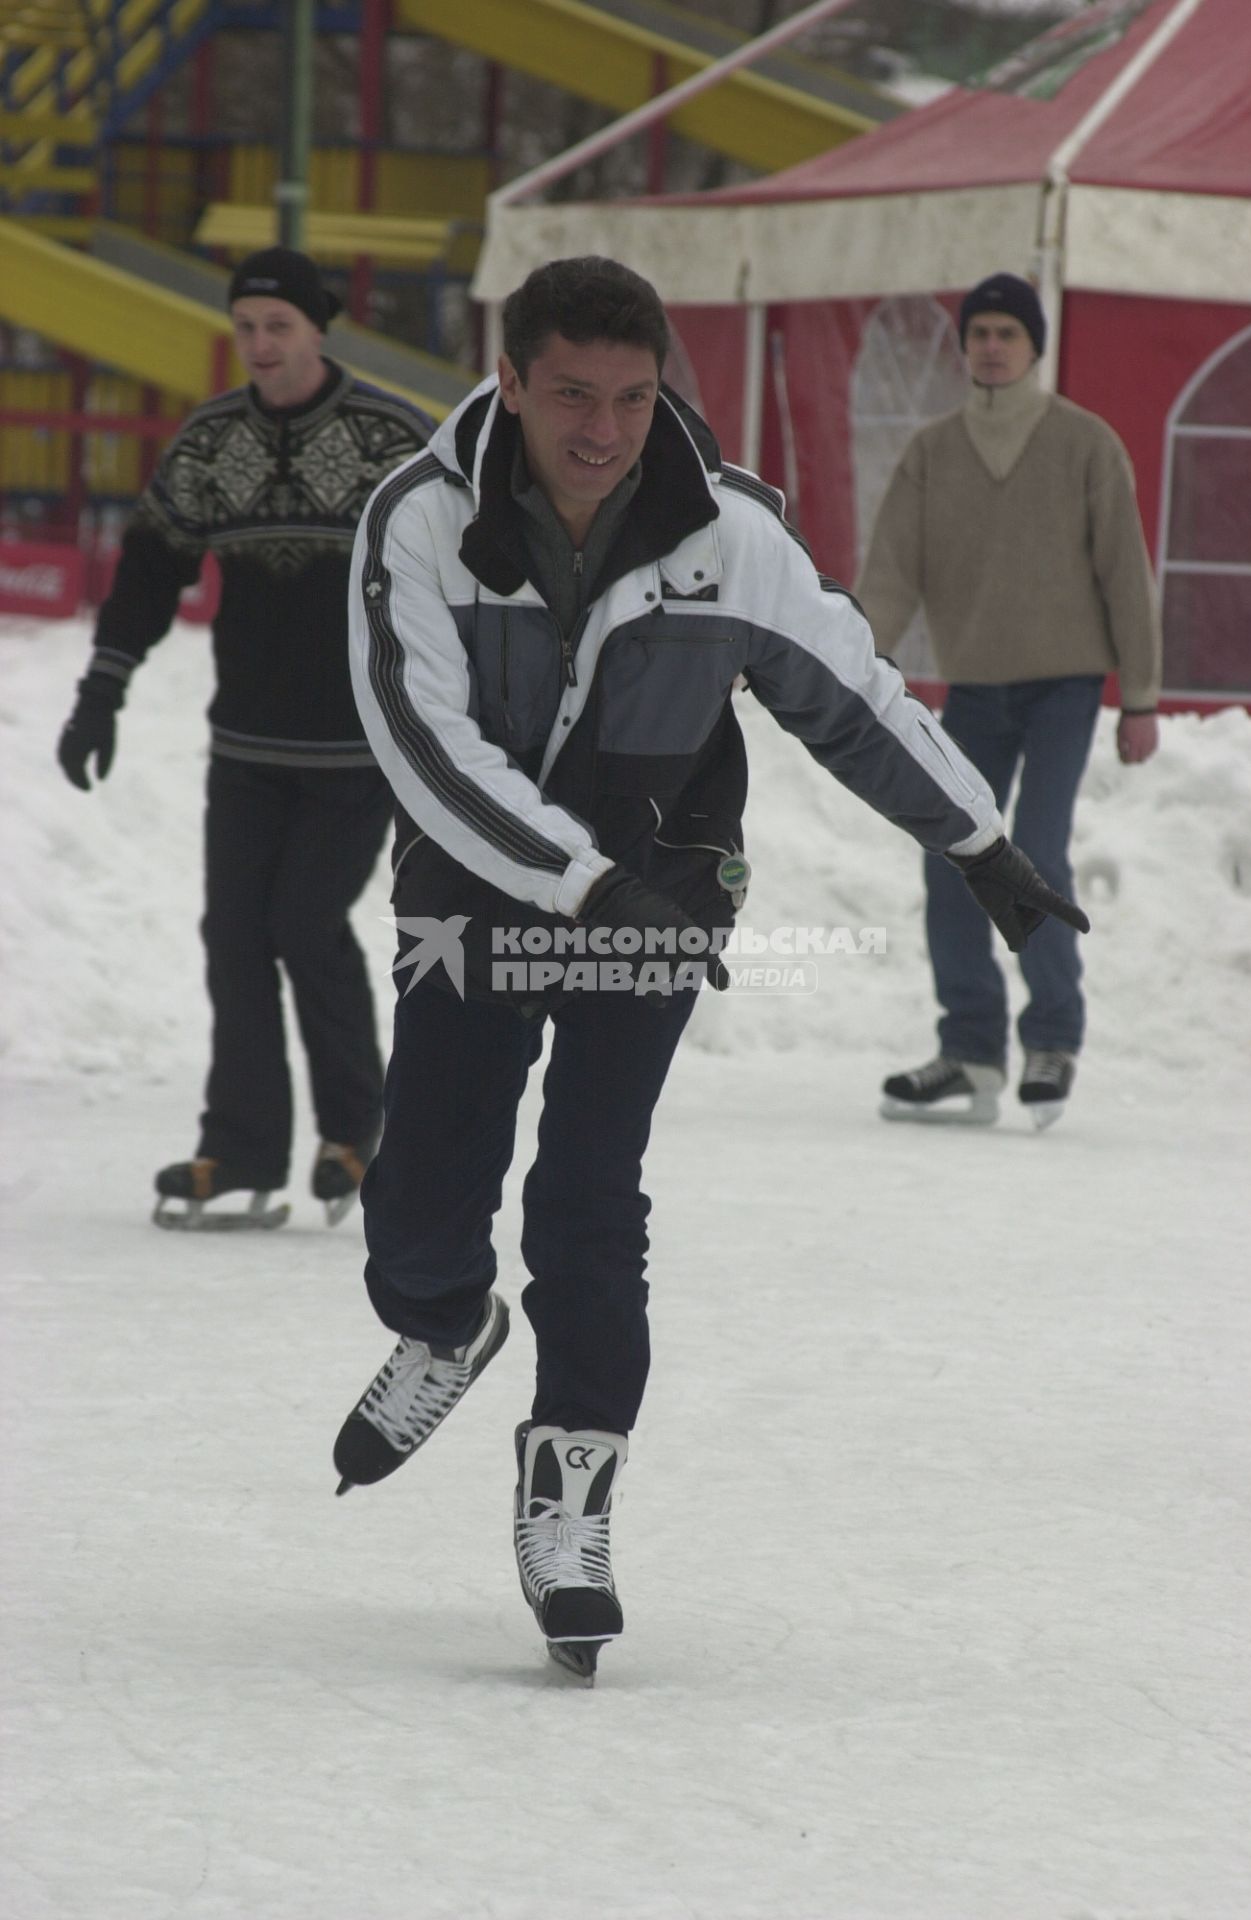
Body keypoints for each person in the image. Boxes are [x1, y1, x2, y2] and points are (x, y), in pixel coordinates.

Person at [332, 254, 1085, 1678]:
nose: (605, 429)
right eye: (571, 396)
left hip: (665, 891)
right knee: (426, 1188)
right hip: (474, 893)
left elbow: (852, 697)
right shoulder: (418, 522)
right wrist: (575, 878)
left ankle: (573, 1489)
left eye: (632, 395)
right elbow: (423, 742)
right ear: (510, 381)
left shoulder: (725, 540)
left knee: (588, 1191)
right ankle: (443, 1321)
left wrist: (980, 842)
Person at [56, 247, 435, 1228]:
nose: (260, 346)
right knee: (233, 936)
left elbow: (463, 569)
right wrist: (103, 692)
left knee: (304, 922)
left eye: (279, 327)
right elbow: (150, 569)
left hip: (358, 748)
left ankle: (360, 1130)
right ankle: (239, 1147)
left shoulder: (390, 438)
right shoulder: (209, 443)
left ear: (318, 329)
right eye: (247, 328)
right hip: (248, 747)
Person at [858, 271, 1162, 1132]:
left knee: (1037, 853)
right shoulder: (930, 453)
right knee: (952, 856)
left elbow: (1126, 580)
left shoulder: (1086, 443)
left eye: (1008, 333)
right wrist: (845, 669)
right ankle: (971, 1051)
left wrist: (1139, 698)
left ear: (1035, 346)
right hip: (975, 691)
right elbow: (889, 577)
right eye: (980, 332)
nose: (992, 345)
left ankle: (1054, 1040)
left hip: (1066, 685)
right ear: (964, 345)